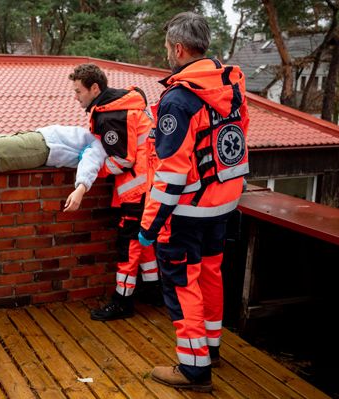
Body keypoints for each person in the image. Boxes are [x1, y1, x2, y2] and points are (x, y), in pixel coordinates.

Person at [139, 12, 250, 392]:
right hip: (223, 206)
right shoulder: (230, 86)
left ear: (178, 48)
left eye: (168, 48)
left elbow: (170, 173)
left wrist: (148, 228)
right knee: (211, 275)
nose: (168, 54)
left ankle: (193, 369)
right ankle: (212, 349)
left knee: (184, 285)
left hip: (185, 213)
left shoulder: (179, 99)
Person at [68, 63, 161, 321]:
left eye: (78, 92)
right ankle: (153, 289)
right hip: (151, 187)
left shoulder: (111, 115)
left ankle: (122, 301)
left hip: (137, 190)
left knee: (128, 247)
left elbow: (122, 160)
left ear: (94, 88)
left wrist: (92, 172)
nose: (75, 97)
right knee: (144, 240)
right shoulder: (124, 105)